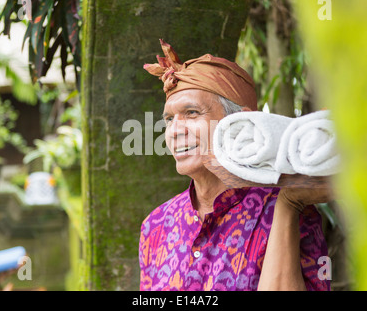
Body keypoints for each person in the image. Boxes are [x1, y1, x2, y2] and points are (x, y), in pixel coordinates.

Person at [139, 39, 331, 291]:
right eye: (169, 119)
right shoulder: (156, 225)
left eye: (192, 113)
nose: (175, 131)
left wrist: (287, 206)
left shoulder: (289, 209)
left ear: (238, 126)